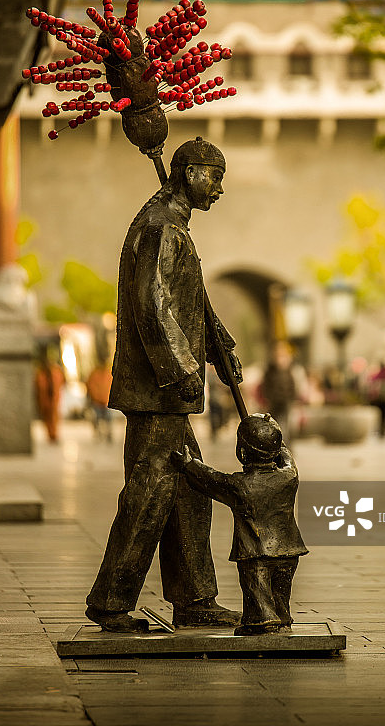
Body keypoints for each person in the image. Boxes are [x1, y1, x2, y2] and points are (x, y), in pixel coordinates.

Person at [86, 137, 242, 633]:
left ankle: (194, 598)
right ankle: (111, 601)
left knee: (189, 490)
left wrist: (218, 348)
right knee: (149, 493)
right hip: (158, 393)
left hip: (164, 394)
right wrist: (181, 369)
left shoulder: (172, 227)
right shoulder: (159, 228)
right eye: (215, 176)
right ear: (189, 172)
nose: (219, 189)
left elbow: (189, 305)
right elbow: (152, 306)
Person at [171, 414, 308, 635]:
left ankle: (261, 622)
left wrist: (188, 465)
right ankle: (282, 619)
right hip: (289, 551)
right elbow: (286, 456)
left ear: (242, 452)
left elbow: (211, 480)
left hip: (256, 553)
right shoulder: (289, 476)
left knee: (258, 590)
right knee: (281, 591)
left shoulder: (240, 485)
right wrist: (274, 437)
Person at [259, 341, 296, 444]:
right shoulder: (270, 369)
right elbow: (266, 385)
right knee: (274, 424)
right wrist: (268, 398)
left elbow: (292, 385)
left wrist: (292, 397)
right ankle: (275, 444)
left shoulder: (288, 369)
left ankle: (285, 444)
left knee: (285, 425)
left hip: (285, 401)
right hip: (274, 401)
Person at [34, 347, 65, 442]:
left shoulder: (56, 372)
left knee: (53, 417)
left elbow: (60, 383)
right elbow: (38, 387)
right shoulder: (41, 374)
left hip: (53, 400)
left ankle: (53, 434)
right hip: (46, 400)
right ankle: (51, 434)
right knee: (48, 418)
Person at [86, 359, 113, 441]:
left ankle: (107, 433)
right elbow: (90, 386)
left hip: (105, 401)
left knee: (107, 418)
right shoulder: (95, 374)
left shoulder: (108, 373)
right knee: (97, 418)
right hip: (98, 401)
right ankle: (99, 433)